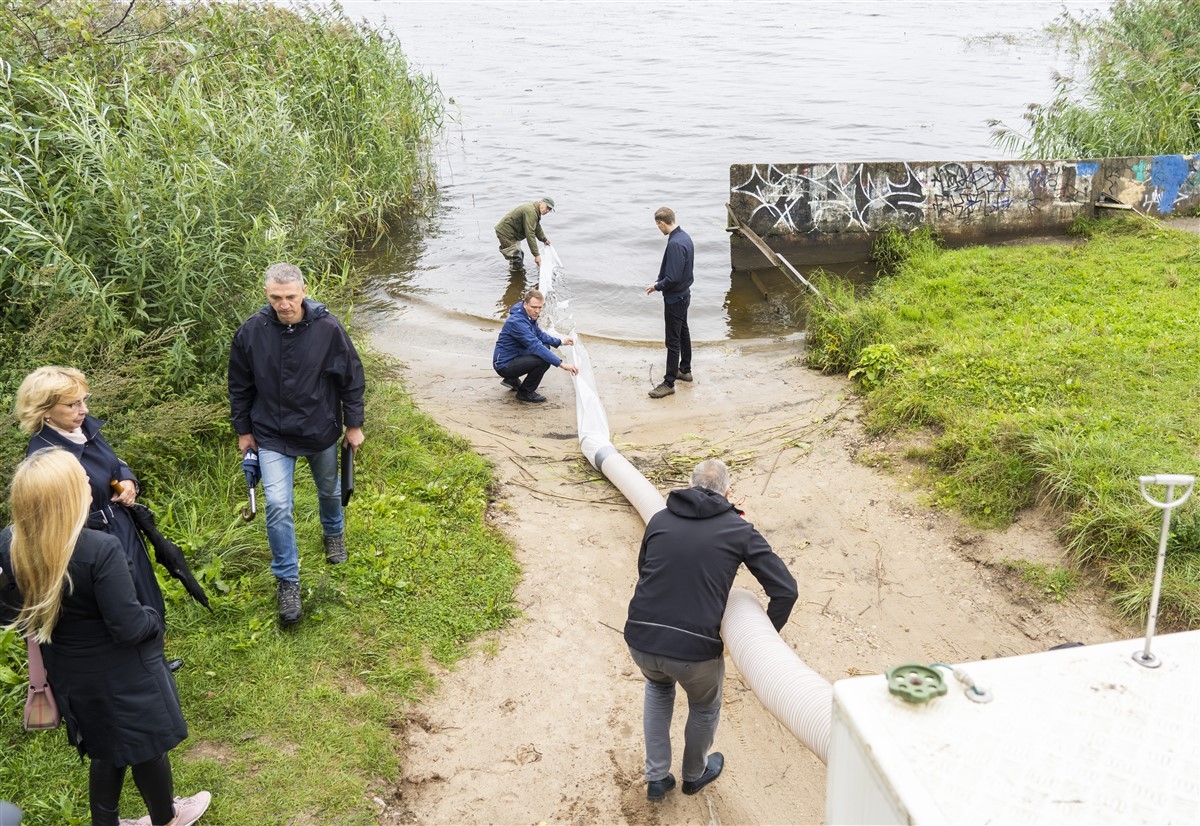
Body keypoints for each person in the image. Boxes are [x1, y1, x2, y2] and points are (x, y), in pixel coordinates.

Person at [0, 448, 210, 826]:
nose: (87, 480)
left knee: (106, 749)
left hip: (70, 673)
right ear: (65, 496)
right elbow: (128, 626)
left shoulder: (11, 542)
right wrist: (152, 618)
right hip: (123, 671)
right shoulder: (98, 549)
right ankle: (167, 818)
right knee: (147, 745)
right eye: (78, 477)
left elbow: (8, 613)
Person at [623, 459, 798, 801]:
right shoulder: (739, 530)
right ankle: (694, 774)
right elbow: (786, 590)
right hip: (694, 651)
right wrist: (764, 637)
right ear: (728, 493)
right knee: (704, 706)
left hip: (641, 637)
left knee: (658, 690)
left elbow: (646, 569)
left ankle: (657, 777)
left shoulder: (660, 519)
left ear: (688, 487)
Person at [14, 367, 181, 673]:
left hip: (122, 525)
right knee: (120, 601)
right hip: (90, 540)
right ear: (45, 411)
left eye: (84, 400)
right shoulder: (44, 457)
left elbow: (113, 463)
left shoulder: (84, 428)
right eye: (73, 404)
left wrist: (128, 481)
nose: (84, 410)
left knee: (144, 590)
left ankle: (154, 659)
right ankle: (136, 668)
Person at [228, 262, 365, 626]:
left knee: (329, 489)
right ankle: (287, 579)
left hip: (319, 428)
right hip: (271, 433)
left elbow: (351, 377)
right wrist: (244, 431)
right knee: (277, 504)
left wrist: (354, 425)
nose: (284, 304)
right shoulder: (251, 332)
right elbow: (239, 386)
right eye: (276, 297)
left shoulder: (328, 328)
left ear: (304, 292)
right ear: (267, 295)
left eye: (290, 297)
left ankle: (333, 533)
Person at [492, 288, 579, 403]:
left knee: (545, 347)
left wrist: (560, 341)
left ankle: (511, 380)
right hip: (504, 364)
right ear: (525, 304)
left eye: (539, 307)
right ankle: (525, 392)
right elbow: (535, 346)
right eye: (534, 307)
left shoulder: (527, 315)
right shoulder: (517, 322)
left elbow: (539, 334)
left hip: (515, 356)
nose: (537, 311)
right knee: (543, 359)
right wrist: (562, 364)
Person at [644, 206, 694, 399]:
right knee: (683, 331)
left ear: (662, 223)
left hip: (675, 298)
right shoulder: (685, 237)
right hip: (685, 294)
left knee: (672, 340)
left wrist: (656, 286)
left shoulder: (674, 244)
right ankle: (685, 370)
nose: (659, 229)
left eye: (659, 226)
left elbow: (672, 277)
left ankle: (669, 382)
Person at [495, 197, 554, 273]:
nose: (547, 210)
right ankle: (515, 279)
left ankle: (517, 277)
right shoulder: (531, 212)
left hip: (512, 234)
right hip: (505, 233)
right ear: (541, 202)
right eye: (547, 207)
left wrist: (544, 239)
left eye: (549, 209)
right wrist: (536, 255)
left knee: (519, 255)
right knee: (516, 257)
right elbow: (530, 234)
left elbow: (537, 227)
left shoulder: (535, 211)